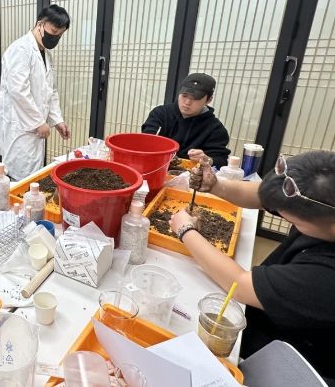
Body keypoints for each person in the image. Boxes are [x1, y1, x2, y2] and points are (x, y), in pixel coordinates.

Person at [170, 152, 335, 381]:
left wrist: (185, 231)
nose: (288, 220)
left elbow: (241, 285)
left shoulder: (325, 278)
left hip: (292, 361)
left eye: (293, 222)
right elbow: (264, 196)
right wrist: (217, 186)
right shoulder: (324, 204)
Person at [0, 4, 71, 180]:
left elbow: (50, 91)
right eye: (54, 32)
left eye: (60, 35)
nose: (56, 38)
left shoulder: (46, 54)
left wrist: (57, 121)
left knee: (32, 178)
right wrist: (38, 122)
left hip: (36, 129)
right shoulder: (21, 49)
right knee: (18, 176)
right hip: (20, 128)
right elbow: (18, 90)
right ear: (40, 25)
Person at [141, 73, 230, 168]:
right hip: (156, 167)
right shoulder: (160, 113)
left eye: (195, 98)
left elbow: (221, 161)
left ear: (209, 100)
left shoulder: (216, 129)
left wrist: (208, 159)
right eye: (184, 96)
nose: (187, 102)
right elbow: (146, 141)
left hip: (192, 174)